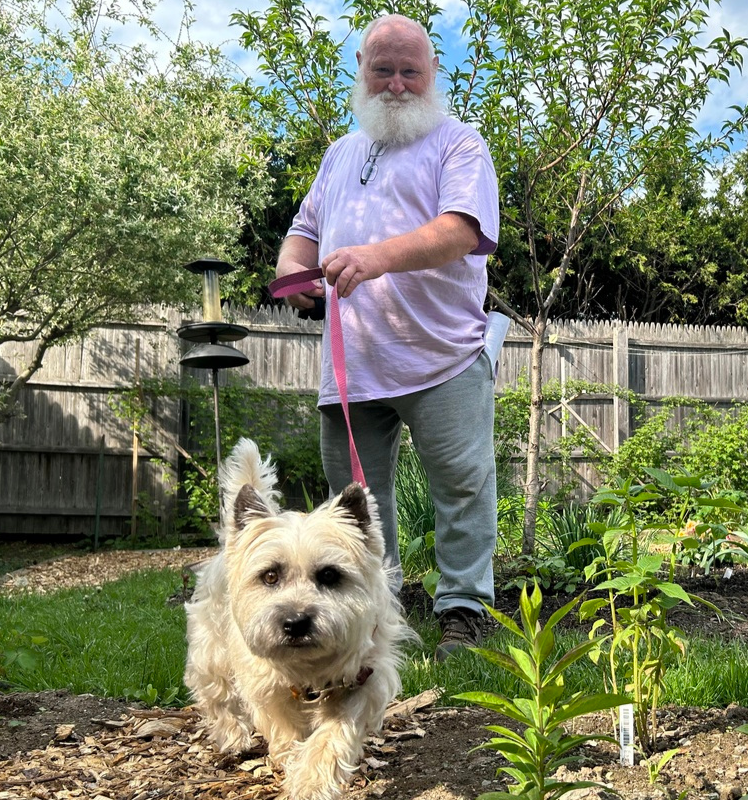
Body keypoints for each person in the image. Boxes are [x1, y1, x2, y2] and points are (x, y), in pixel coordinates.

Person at [275, 14, 500, 661]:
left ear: (432, 75)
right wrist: (293, 273)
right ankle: (377, 614)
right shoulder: (341, 153)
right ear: (363, 74)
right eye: (384, 69)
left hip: (444, 356)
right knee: (354, 507)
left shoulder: (460, 144)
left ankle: (463, 609)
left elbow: (462, 229)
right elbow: (303, 233)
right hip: (354, 365)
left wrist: (373, 257)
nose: (397, 83)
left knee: (461, 484)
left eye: (411, 70)